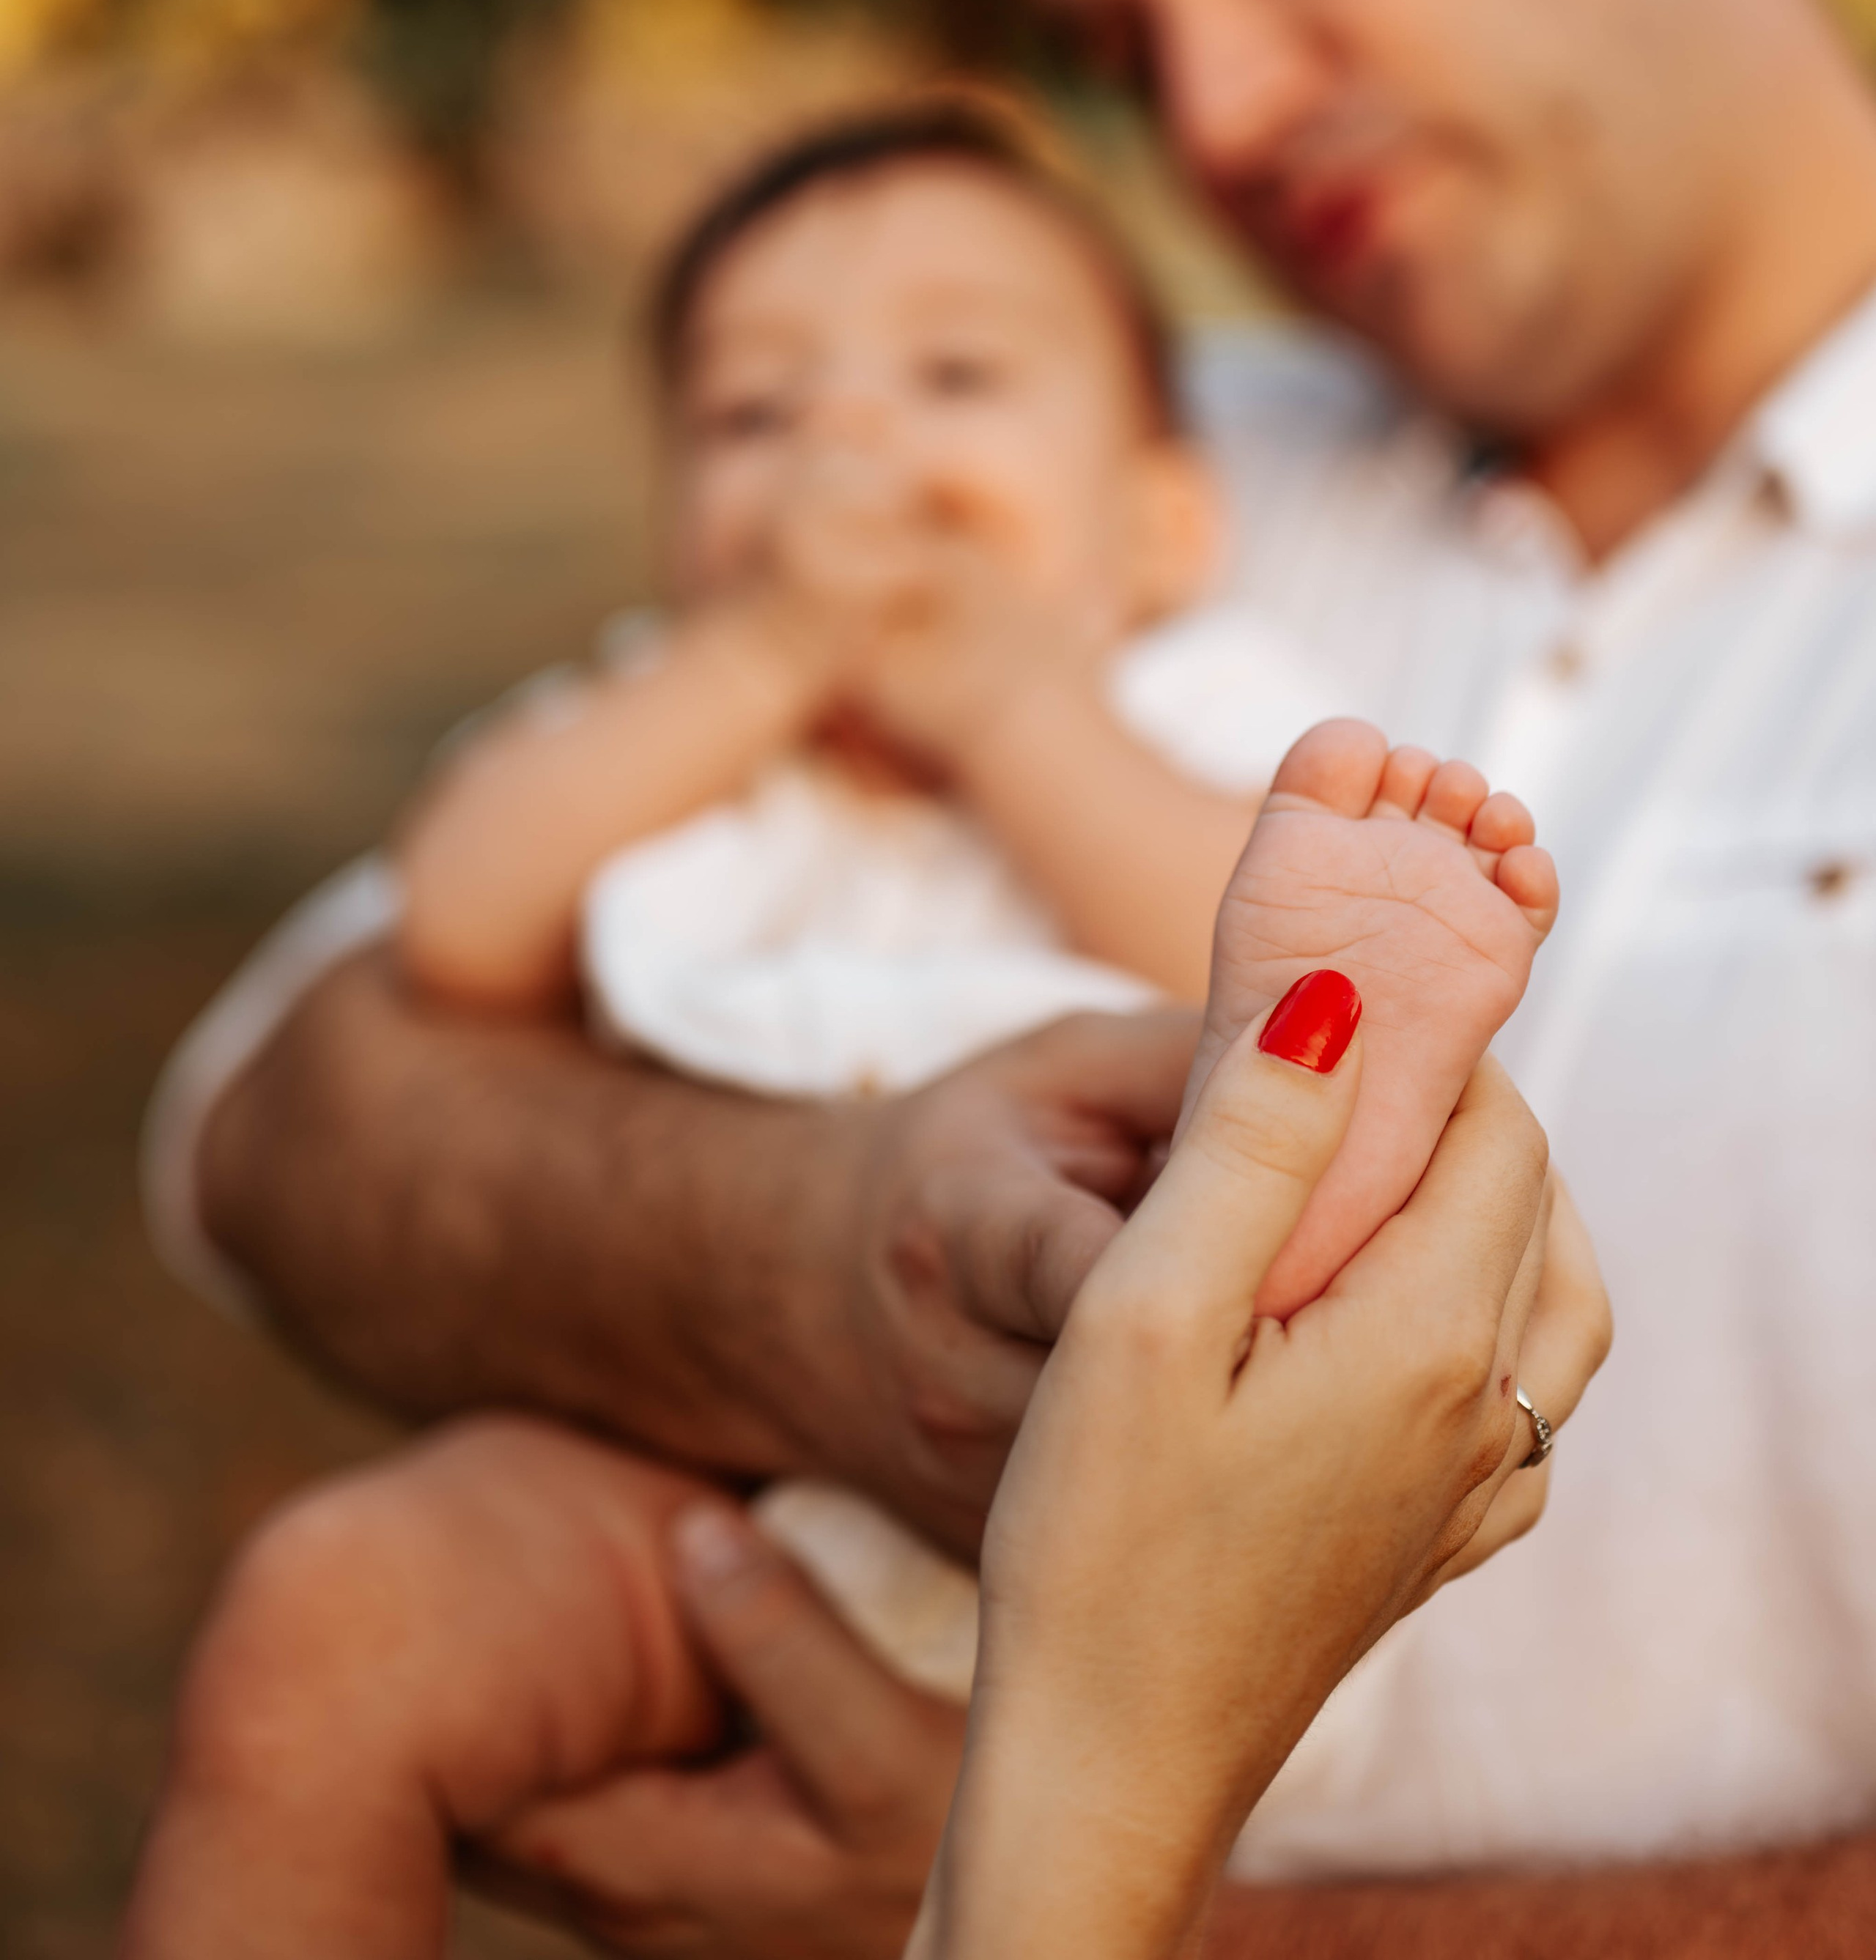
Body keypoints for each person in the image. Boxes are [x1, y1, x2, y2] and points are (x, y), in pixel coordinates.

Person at [144, 0, 1876, 1948]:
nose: (1220, 116)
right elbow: (297, 1107)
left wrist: (1089, 1890)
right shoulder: (1087, 438)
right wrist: (820, 1255)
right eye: (1122, 40)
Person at [125, 714, 1575, 1957]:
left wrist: (1005, 708)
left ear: (1161, 521)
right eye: (756, 460)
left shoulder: (1182, 691)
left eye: (954, 416)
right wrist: (746, 666)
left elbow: (1188, 916)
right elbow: (448, 928)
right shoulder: (662, 720)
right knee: (327, 1618)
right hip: (696, 1483)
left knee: (1203, 1204)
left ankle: (1302, 1161)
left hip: (1153, 1475)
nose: (862, 496)